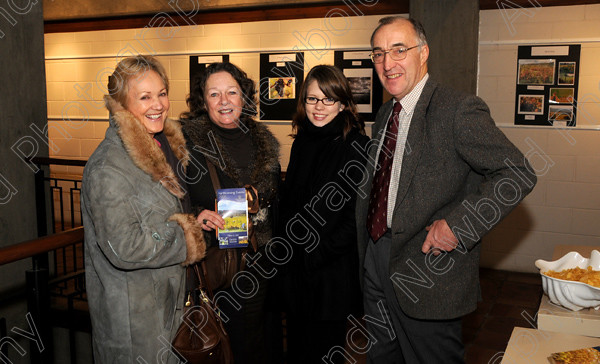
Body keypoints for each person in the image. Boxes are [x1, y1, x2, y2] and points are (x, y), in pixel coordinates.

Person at [355, 17, 537, 363]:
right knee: (382, 356)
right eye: (378, 54)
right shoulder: (384, 114)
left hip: (427, 270)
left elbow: (517, 174)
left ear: (423, 52)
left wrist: (458, 225)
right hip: (376, 259)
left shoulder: (457, 109)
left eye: (398, 50)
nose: (387, 63)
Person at [81, 55, 206, 363]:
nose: (159, 105)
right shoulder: (109, 167)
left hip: (168, 310)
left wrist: (194, 220)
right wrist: (188, 236)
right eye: (145, 97)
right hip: (137, 325)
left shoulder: (160, 146)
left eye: (162, 93)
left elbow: (166, 212)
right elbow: (124, 247)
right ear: (121, 105)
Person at [180, 62, 280, 364]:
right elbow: (169, 198)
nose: (224, 101)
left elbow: (275, 199)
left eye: (232, 92)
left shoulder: (263, 141)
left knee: (256, 340)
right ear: (203, 101)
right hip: (215, 264)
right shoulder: (186, 143)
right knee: (219, 341)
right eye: (214, 94)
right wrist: (195, 217)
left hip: (260, 261)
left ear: (244, 97)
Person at [279, 65, 370, 364]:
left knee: (323, 354)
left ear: (343, 103)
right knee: (297, 351)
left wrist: (315, 254)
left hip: (330, 273)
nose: (319, 107)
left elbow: (354, 219)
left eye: (328, 99)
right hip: (296, 272)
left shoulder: (356, 146)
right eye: (312, 99)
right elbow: (291, 201)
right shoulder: (302, 142)